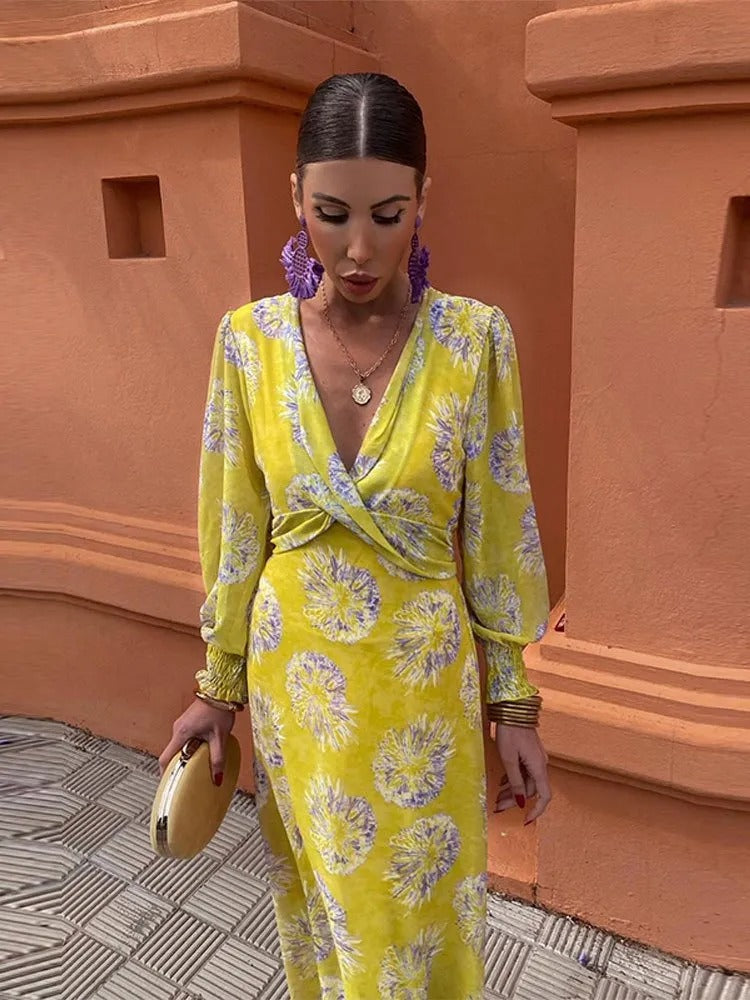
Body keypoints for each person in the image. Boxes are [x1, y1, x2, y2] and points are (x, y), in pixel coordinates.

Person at [159, 72, 552, 999]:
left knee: (412, 920)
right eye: (332, 215)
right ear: (297, 195)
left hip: (423, 697)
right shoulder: (248, 344)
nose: (360, 248)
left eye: (388, 214)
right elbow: (235, 526)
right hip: (298, 692)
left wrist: (516, 706)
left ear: (423, 199)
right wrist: (217, 688)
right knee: (326, 916)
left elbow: (500, 531)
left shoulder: (474, 342)